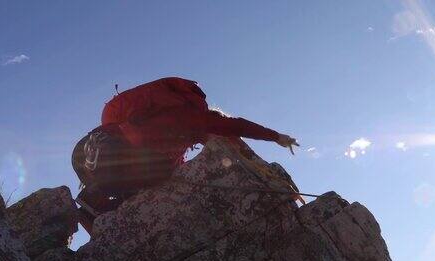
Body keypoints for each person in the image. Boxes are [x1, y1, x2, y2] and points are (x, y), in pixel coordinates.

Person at [72, 77, 298, 234]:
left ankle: (97, 201)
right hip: (107, 158)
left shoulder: (163, 114)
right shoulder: (195, 120)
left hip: (85, 151)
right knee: (160, 172)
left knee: (152, 172)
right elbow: (237, 126)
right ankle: (97, 198)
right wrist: (276, 136)